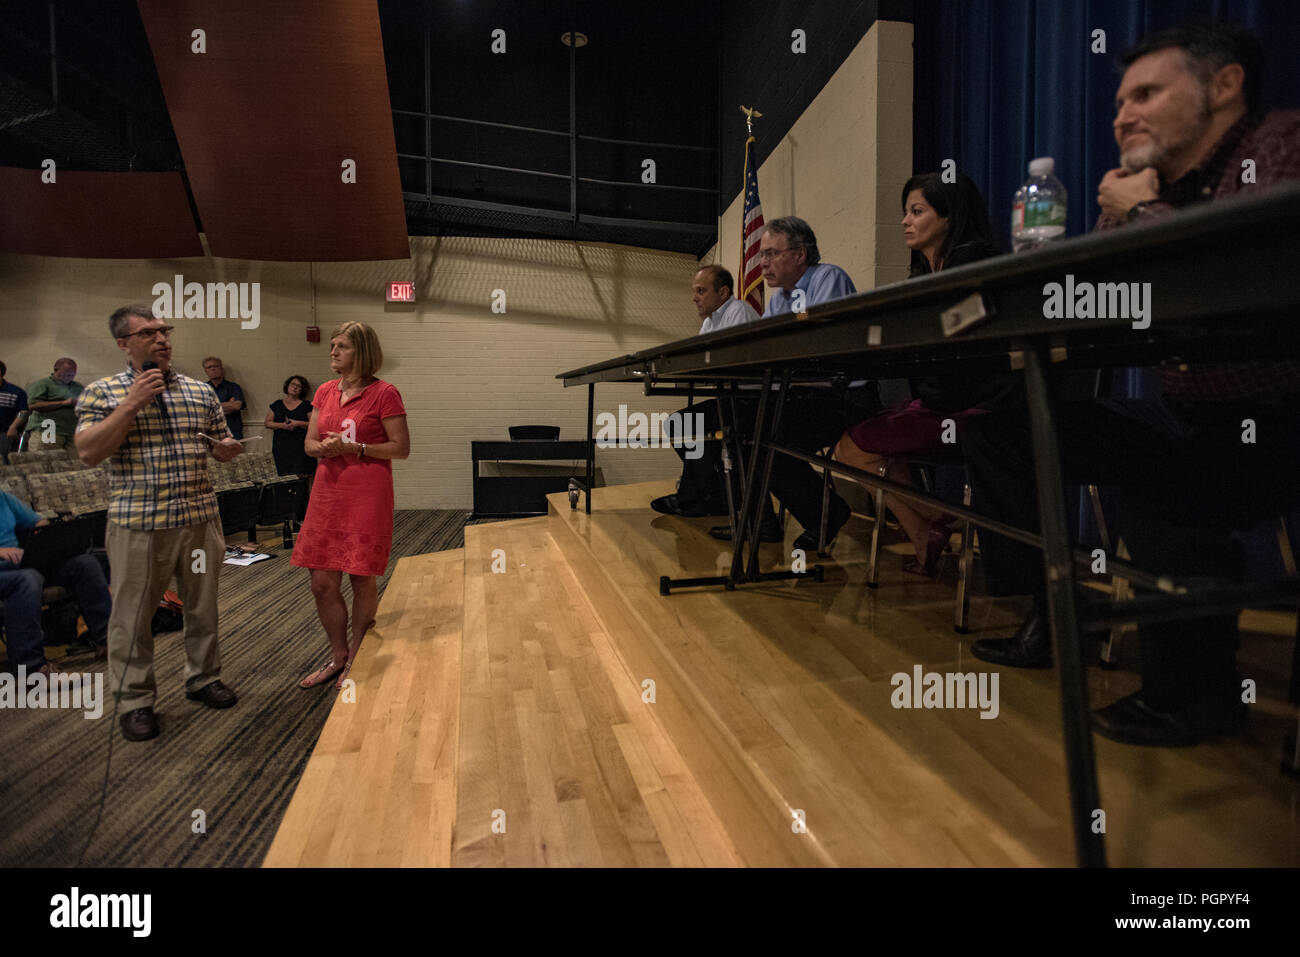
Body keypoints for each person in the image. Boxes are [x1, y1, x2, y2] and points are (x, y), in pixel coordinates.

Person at [961, 20, 1300, 746]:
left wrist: (1140, 215)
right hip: (1188, 410)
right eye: (1118, 101)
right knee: (1010, 431)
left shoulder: (1279, 146)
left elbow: (1241, 278)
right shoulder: (1160, 189)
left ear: (1226, 85)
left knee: (1168, 493)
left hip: (1275, 414)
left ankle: (1198, 694)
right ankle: (1047, 614)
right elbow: (1116, 309)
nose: (1120, 115)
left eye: (1146, 92)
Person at [76, 305, 244, 742]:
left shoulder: (198, 391)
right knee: (132, 618)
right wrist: (131, 403)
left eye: (165, 331)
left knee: (202, 607)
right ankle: (134, 700)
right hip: (139, 525)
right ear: (123, 343)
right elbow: (89, 452)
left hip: (198, 522)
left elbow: (219, 436)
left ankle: (204, 678)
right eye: (148, 333)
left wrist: (226, 447)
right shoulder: (102, 392)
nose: (162, 339)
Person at [833, 173, 1006, 576]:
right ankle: (930, 529)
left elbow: (958, 352)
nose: (905, 222)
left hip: (975, 410)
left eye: (917, 211)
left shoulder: (971, 266)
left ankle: (943, 521)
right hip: (942, 402)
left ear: (950, 217)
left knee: (853, 449)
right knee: (853, 449)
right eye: (905, 213)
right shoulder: (928, 273)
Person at [708, 216, 876, 548]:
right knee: (737, 426)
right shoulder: (779, 301)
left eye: (771, 254)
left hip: (843, 398)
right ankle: (760, 523)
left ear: (800, 254)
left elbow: (819, 343)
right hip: (803, 396)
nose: (763, 263)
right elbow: (768, 351)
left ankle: (827, 513)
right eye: (761, 255)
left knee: (764, 434)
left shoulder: (828, 277)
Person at [293, 322, 409, 690]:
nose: (333, 352)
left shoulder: (384, 393)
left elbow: (400, 448)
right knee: (321, 582)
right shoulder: (325, 391)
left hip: (366, 493)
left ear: (361, 352)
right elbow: (309, 444)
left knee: (361, 576)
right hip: (327, 493)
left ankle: (357, 655)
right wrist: (323, 449)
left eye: (341, 346)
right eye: (332, 346)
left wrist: (356, 448)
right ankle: (337, 654)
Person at [650, 264, 760, 517]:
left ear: (722, 293)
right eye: (694, 291)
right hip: (732, 399)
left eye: (701, 290)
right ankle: (712, 494)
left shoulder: (738, 311)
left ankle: (697, 496)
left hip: (752, 401)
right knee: (680, 425)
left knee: (685, 426)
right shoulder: (711, 322)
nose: (694, 297)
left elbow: (734, 363)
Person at [0, 490, 112, 674]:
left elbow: (39, 522)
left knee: (85, 564)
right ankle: (31, 668)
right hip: (11, 572)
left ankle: (107, 641)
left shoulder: (3, 498)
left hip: (21, 563)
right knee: (27, 579)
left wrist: (47, 537)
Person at [22, 358, 83, 451]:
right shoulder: (43, 384)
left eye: (73, 373)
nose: (70, 375)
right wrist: (63, 403)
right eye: (66, 372)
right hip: (48, 429)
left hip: (71, 430)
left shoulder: (78, 387)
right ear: (56, 370)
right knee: (46, 459)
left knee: (74, 462)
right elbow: (32, 405)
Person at [265, 375, 316, 477]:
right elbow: (267, 423)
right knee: (283, 477)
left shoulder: (307, 405)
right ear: (287, 386)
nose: (295, 387)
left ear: (302, 390)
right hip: (281, 447)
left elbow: (314, 424)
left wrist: (297, 423)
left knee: (302, 477)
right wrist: (283, 425)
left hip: (301, 448)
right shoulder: (277, 404)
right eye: (293, 384)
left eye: (299, 386)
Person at [203, 356, 245, 440]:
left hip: (232, 432)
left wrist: (212, 407)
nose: (213, 369)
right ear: (206, 371)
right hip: (211, 433)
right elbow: (202, 410)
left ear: (221, 368)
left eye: (216, 366)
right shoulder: (203, 389)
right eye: (209, 367)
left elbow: (236, 406)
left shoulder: (234, 387)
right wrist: (228, 405)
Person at [0, 360, 27, 463]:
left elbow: (23, 412)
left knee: (4, 461)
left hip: (4, 432)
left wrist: (13, 427)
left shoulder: (16, 392)